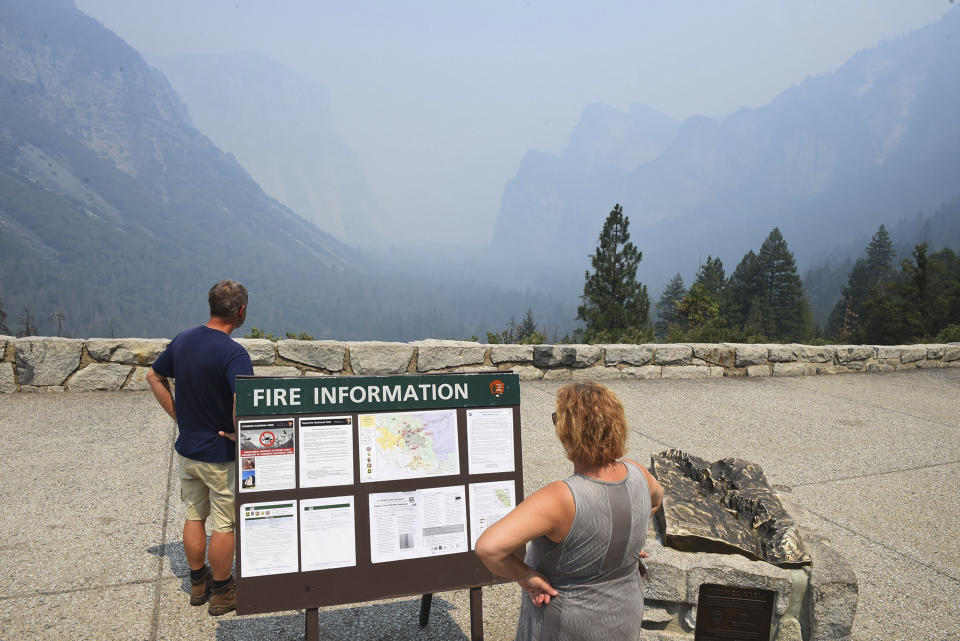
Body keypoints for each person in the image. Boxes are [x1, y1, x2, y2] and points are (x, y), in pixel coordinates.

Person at [475, 382, 664, 641]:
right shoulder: (638, 472)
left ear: (568, 431)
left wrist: (525, 575)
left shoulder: (560, 498)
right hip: (624, 612)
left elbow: (489, 548)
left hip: (567, 622)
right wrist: (624, 540)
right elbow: (656, 499)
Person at [147, 280, 254, 616]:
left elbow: (153, 376)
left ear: (210, 307)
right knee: (225, 523)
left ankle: (197, 583)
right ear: (241, 312)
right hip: (219, 454)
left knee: (194, 515)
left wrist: (179, 416)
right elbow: (244, 403)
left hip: (188, 450)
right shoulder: (234, 353)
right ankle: (223, 591)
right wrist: (241, 434)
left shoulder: (183, 340)